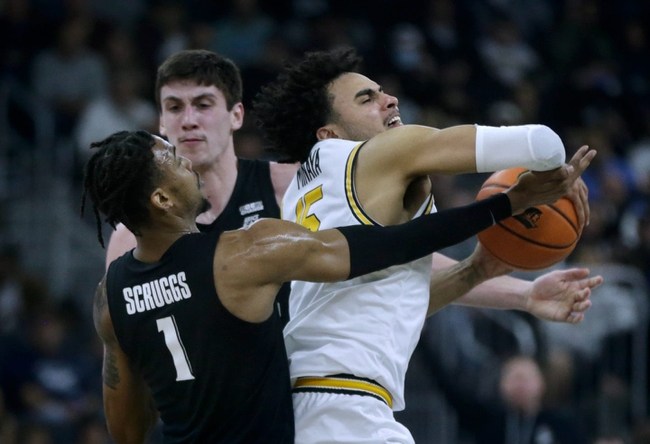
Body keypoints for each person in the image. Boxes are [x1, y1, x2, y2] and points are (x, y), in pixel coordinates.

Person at [81, 129, 580, 443]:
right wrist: (505, 206)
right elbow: (387, 246)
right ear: (163, 199)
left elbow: (126, 428)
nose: (186, 161)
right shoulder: (242, 254)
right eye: (172, 160)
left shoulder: (110, 298)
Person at [252, 46, 600, 442]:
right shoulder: (382, 152)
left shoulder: (300, 195)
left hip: (310, 404)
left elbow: (394, 298)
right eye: (367, 98)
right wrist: (559, 175)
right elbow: (542, 143)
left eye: (382, 91)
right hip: (345, 408)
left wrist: (477, 269)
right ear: (329, 133)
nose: (389, 99)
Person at [104, 49, 297, 324]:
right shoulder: (132, 236)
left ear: (236, 115)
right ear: (161, 122)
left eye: (203, 105)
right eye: (174, 107)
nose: (188, 120)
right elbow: (122, 346)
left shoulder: (288, 188)